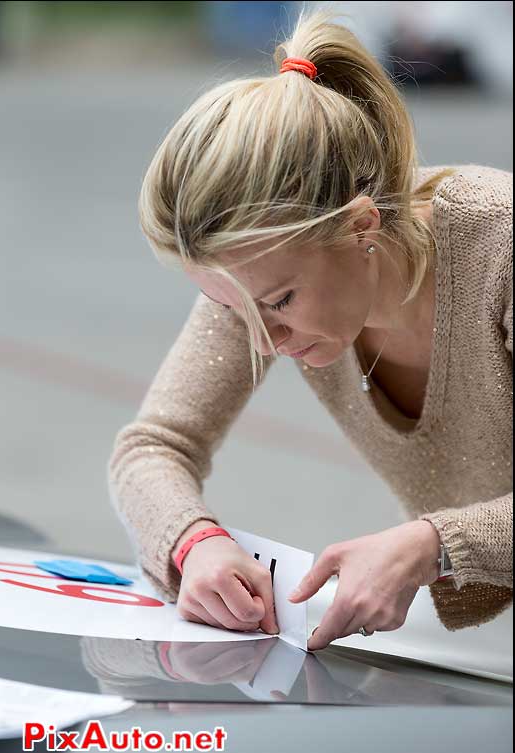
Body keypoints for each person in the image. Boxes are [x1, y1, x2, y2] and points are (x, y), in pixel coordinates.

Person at [109, 9, 513, 651]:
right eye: (235, 309)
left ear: (360, 227)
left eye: (281, 302)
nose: (263, 338)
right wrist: (194, 542)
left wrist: (431, 545)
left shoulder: (501, 245)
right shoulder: (253, 276)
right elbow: (154, 446)